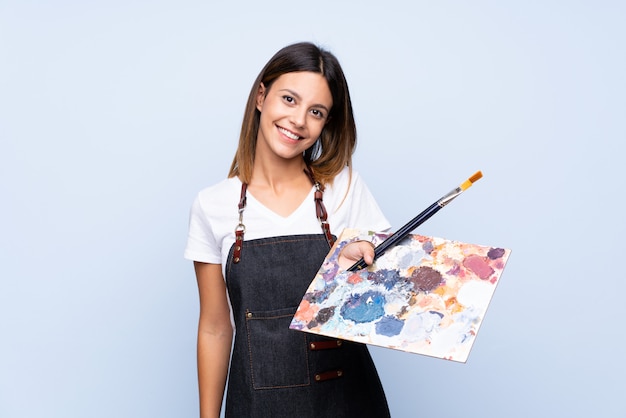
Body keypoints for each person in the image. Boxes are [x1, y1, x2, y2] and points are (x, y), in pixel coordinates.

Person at [184, 42, 391, 418]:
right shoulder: (213, 205)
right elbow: (215, 327)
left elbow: (385, 307)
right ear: (261, 96)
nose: (298, 120)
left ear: (326, 123)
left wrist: (348, 270)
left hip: (348, 404)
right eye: (289, 99)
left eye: (316, 111)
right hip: (260, 406)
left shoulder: (345, 188)